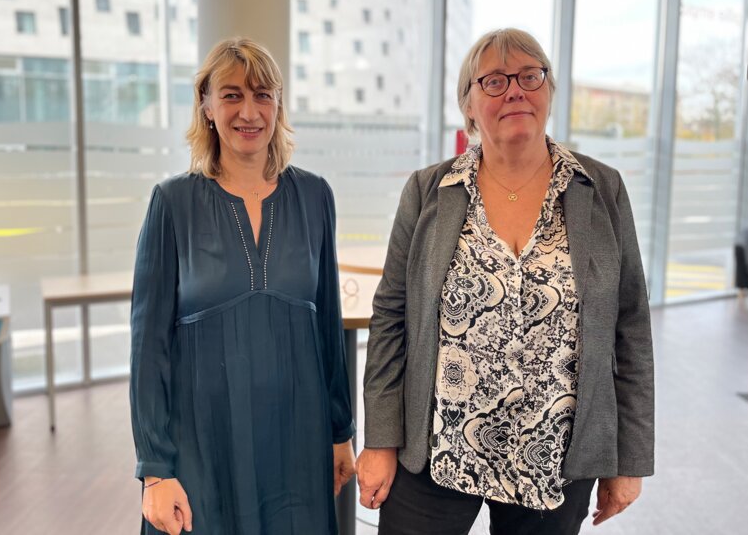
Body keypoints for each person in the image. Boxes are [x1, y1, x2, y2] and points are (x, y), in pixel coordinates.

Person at [356, 28, 654, 535]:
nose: (515, 90)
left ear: (549, 90)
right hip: (436, 449)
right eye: (493, 81)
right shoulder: (430, 190)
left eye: (529, 75)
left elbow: (630, 327)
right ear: (468, 105)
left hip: (555, 456)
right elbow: (391, 319)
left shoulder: (601, 189)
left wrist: (628, 458)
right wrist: (381, 441)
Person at [130, 37, 356, 535]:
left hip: (297, 438)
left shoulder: (315, 196)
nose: (248, 111)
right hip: (202, 445)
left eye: (263, 94)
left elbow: (328, 325)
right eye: (232, 95)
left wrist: (342, 433)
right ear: (206, 106)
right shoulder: (172, 203)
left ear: (278, 104)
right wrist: (154, 469)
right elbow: (148, 349)